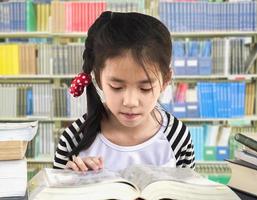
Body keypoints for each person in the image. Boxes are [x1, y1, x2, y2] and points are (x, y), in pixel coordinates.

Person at [54, 11, 195, 172]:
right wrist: (69, 181)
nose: (130, 102)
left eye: (145, 88)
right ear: (98, 78)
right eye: (117, 87)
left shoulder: (177, 136)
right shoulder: (73, 138)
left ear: (165, 80)